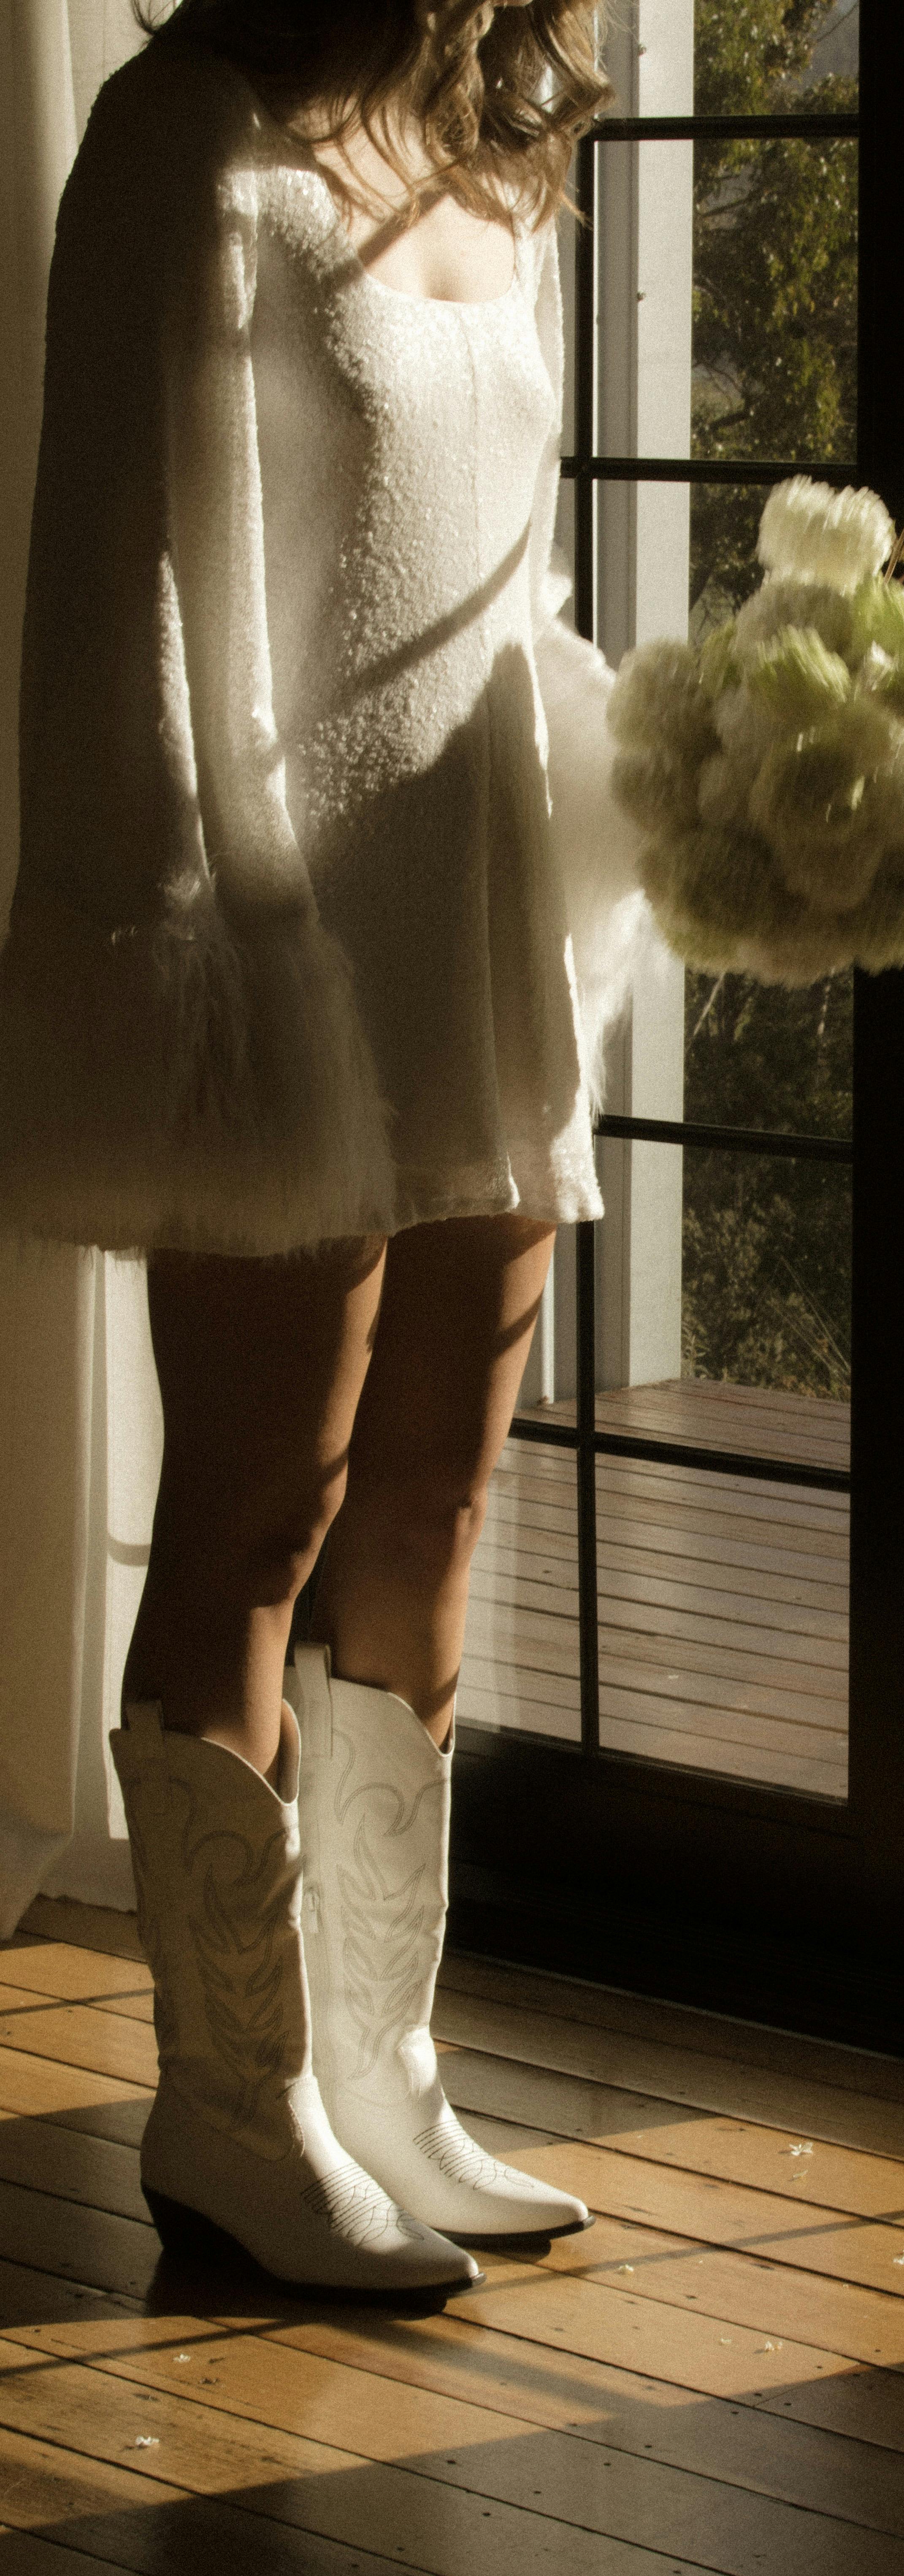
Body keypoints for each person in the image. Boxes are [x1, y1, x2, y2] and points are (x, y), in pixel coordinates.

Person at [0, 0, 647, 2289]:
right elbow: (111, 611)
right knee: (258, 1503)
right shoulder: (184, 134)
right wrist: (196, 951)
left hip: (477, 909)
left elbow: (507, 585)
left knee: (440, 1501)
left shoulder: (499, 146)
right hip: (290, 937)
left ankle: (384, 2066)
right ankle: (227, 2109)